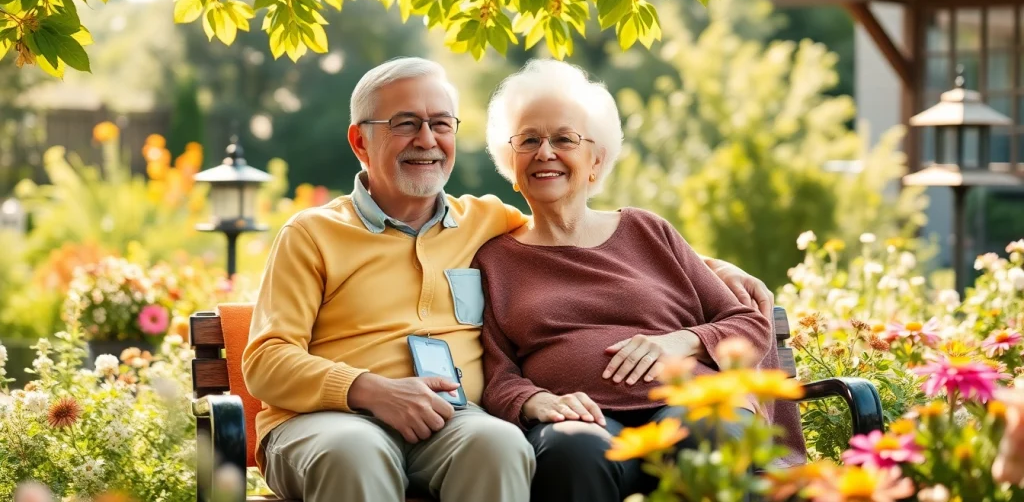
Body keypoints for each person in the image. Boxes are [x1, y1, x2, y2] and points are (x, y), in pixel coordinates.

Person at [241, 57, 777, 502]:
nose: (426, 139)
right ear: (360, 142)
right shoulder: (312, 233)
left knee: (500, 445)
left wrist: (712, 266)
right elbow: (264, 360)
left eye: (441, 123)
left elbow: (580, 228)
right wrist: (370, 391)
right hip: (336, 419)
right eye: (405, 123)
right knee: (355, 451)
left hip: (449, 421)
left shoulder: (485, 222)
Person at [475, 59, 806, 502]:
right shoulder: (494, 259)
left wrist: (680, 341)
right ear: (510, 164)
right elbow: (498, 375)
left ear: (596, 160)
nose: (545, 152)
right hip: (581, 417)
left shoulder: (646, 231)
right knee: (570, 450)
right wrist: (535, 403)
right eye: (528, 140)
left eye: (564, 139)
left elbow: (748, 322)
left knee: (711, 432)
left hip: (689, 401)